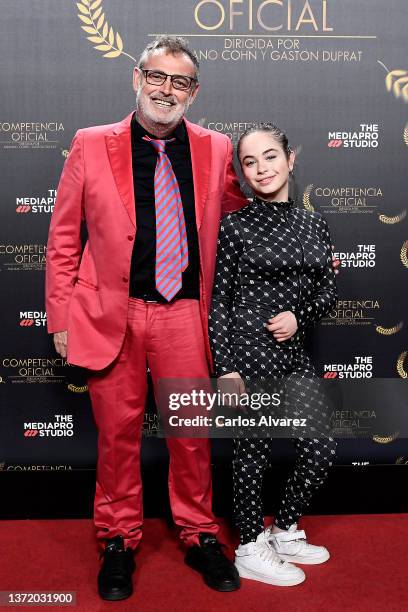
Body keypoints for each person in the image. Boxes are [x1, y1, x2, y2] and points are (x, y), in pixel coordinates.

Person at [45, 36, 247, 600]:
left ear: (195, 92)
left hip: (186, 314)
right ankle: (118, 539)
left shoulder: (217, 147)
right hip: (112, 313)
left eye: (180, 82)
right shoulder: (90, 144)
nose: (166, 89)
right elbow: (63, 237)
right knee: (117, 436)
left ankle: (200, 533)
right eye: (157, 76)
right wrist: (60, 313)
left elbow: (238, 224)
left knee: (190, 435)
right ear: (136, 78)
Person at [208, 123, 338, 586]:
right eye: (249, 162)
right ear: (241, 172)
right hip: (248, 352)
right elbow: (218, 301)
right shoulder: (234, 225)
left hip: (293, 352)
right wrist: (225, 367)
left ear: (290, 158)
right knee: (253, 453)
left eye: (269, 156)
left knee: (320, 447)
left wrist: (299, 316)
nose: (261, 169)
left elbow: (328, 290)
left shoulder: (314, 222)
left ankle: (282, 530)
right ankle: (247, 545)